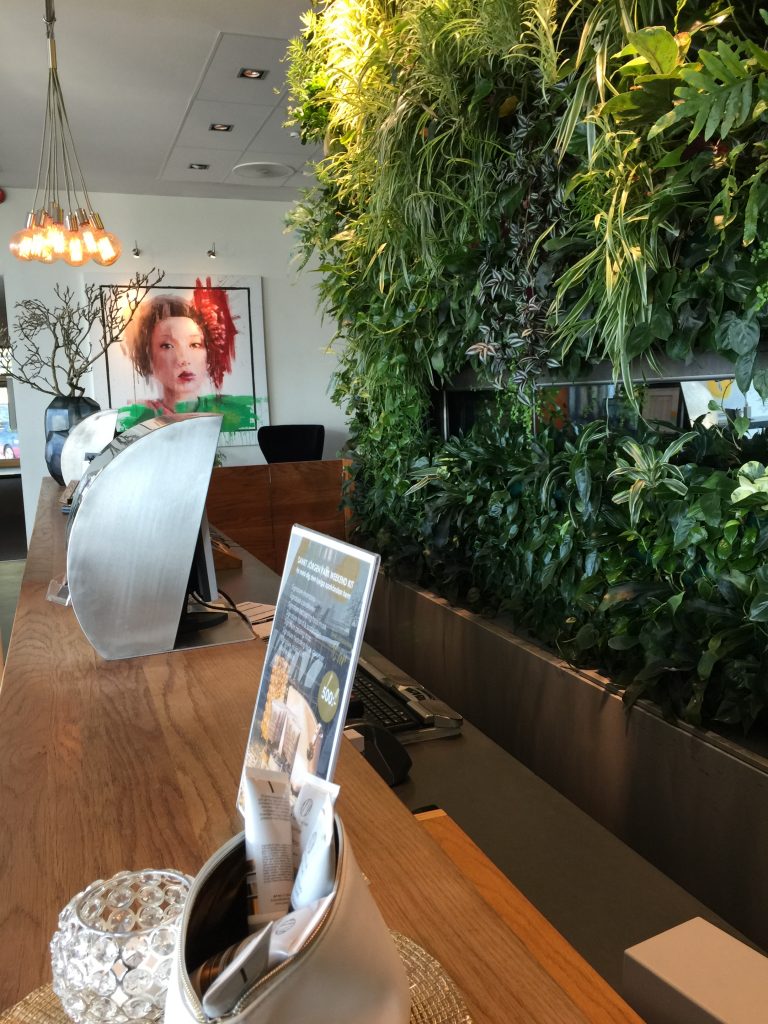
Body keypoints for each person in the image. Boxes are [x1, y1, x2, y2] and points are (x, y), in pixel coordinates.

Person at [117, 278, 255, 434]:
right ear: (148, 357)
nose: (183, 359)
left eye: (195, 344)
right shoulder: (137, 419)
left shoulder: (240, 411)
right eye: (167, 346)